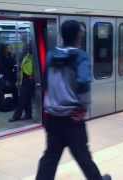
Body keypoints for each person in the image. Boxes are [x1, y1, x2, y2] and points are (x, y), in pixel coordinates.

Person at [36, 20, 111, 180]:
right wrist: (83, 107)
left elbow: (45, 82)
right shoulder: (80, 56)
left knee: (50, 156)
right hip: (72, 118)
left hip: (52, 116)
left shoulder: (51, 55)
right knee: (83, 155)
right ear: (78, 35)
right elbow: (83, 83)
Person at [9, 49, 35, 122]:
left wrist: (22, 68)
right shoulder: (27, 56)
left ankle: (16, 116)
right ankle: (28, 114)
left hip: (28, 80)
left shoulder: (32, 58)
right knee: (27, 98)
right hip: (24, 79)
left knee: (22, 99)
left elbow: (29, 70)